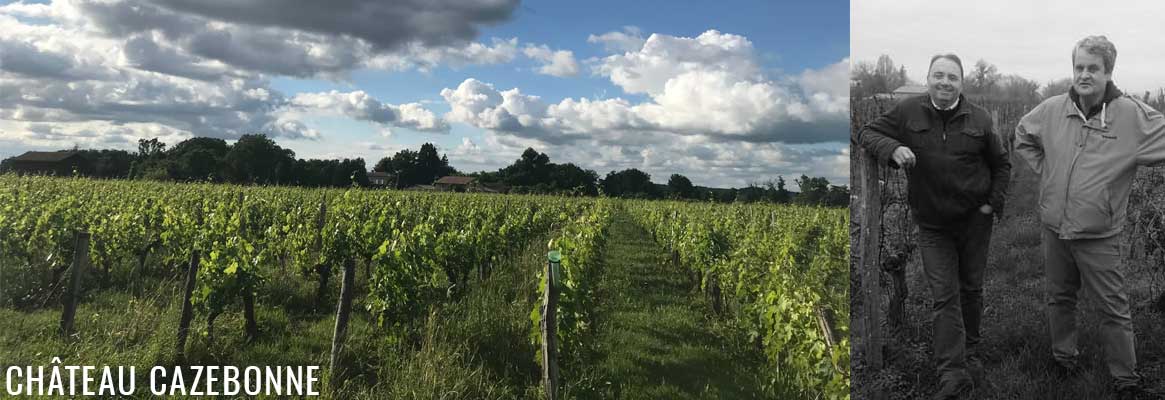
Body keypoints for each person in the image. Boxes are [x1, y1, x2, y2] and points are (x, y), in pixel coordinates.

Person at [1014, 35, 1165, 400]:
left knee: (1113, 308)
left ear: (1108, 71)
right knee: (1059, 297)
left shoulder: (1132, 116)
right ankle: (1064, 358)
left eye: (1092, 68)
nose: (1084, 75)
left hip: (1100, 235)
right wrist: (1047, 170)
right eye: (1079, 67)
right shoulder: (1051, 109)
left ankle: (1125, 378)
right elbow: (1022, 135)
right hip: (1055, 229)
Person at [857, 53, 1011, 400]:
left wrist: (991, 205)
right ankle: (952, 374)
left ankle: (970, 349)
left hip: (974, 220)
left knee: (971, 289)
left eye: (951, 77)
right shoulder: (908, 111)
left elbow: (1002, 165)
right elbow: (867, 132)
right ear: (928, 78)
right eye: (938, 75)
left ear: (961, 83)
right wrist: (893, 146)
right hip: (932, 224)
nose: (944, 82)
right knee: (945, 297)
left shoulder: (981, 119)